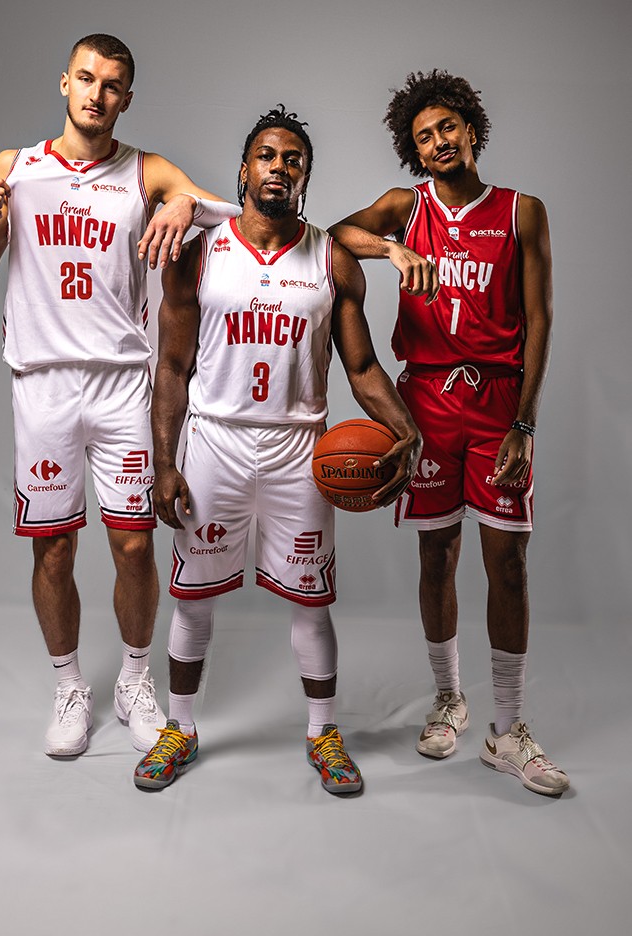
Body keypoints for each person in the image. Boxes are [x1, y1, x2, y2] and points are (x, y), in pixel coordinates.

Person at [0, 33, 240, 759]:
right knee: (53, 548)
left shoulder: (144, 170)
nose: (96, 94)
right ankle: (69, 688)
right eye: (86, 78)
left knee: (135, 545)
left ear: (126, 99)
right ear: (64, 83)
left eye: (112, 85)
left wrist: (182, 203)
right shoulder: (16, 167)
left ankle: (136, 680)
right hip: (43, 383)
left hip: (121, 384)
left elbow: (225, 213)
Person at [132, 105, 422, 794]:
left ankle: (323, 733)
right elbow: (171, 366)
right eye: (267, 155)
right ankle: (180, 728)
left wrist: (405, 427)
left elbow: (361, 367)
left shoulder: (332, 259)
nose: (279, 167)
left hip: (299, 450)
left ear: (305, 178)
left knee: (311, 603)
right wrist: (164, 461)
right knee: (193, 599)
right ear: (244, 171)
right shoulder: (201, 254)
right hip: (215, 442)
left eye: (294, 159)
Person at [329, 70, 569, 796]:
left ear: (471, 129)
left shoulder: (522, 211)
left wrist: (525, 421)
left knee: (509, 563)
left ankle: (510, 729)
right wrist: (392, 251)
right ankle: (448, 697)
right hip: (427, 400)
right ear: (415, 150)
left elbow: (540, 319)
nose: (437, 142)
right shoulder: (407, 207)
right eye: (423, 136)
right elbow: (337, 234)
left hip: (497, 401)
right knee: (436, 555)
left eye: (447, 128)